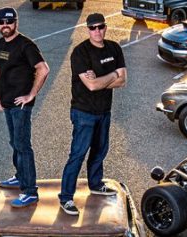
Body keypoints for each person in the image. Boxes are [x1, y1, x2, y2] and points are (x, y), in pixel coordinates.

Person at [58, 13, 127, 215]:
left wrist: (105, 78)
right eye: (92, 27)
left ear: (105, 27)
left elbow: (123, 81)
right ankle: (66, 198)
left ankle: (95, 184)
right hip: (83, 112)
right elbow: (91, 85)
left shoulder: (114, 48)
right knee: (78, 154)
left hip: (104, 110)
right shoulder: (80, 53)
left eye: (100, 27)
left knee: (100, 150)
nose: (97, 31)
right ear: (87, 29)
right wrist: (113, 74)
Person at [0, 7, 50, 207]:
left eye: (9, 22)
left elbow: (43, 69)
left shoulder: (26, 45)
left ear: (16, 23)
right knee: (14, 143)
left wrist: (31, 94)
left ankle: (30, 191)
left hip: (21, 106)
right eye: (1, 22)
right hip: (8, 102)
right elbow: (0, 70)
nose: (5, 26)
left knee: (23, 146)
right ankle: (20, 176)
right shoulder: (1, 42)